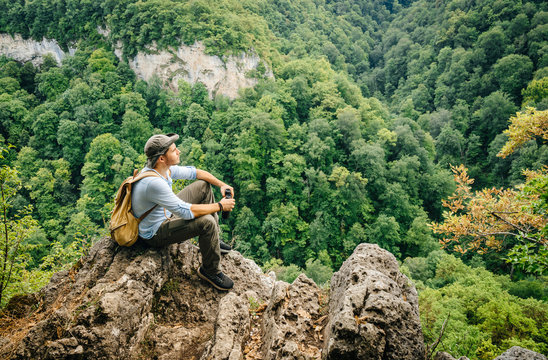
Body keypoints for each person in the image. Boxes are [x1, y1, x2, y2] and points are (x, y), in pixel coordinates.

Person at [132, 133, 236, 291]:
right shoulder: (153, 182)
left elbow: (196, 173)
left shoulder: (163, 170)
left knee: (203, 186)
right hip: (154, 233)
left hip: (166, 212)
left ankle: (212, 241)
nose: (178, 151)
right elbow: (186, 212)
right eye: (174, 150)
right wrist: (220, 206)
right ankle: (210, 270)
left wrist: (222, 184)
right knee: (206, 222)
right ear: (161, 158)